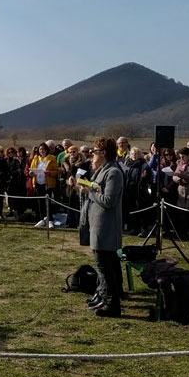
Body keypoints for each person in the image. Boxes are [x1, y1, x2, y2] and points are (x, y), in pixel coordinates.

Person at [76, 136, 124, 318]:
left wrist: (90, 191)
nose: (92, 155)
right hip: (97, 224)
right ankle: (104, 297)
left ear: (103, 153)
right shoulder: (101, 171)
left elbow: (109, 200)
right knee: (104, 267)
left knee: (105, 268)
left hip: (106, 228)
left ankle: (112, 304)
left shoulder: (113, 173)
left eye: (94, 151)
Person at [29, 142, 59, 221]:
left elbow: (56, 172)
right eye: (40, 149)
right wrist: (31, 173)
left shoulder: (52, 159)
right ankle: (41, 218)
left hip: (48, 183)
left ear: (46, 150)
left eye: (43, 149)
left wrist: (50, 173)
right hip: (38, 182)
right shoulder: (36, 158)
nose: (42, 151)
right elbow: (31, 168)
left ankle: (49, 218)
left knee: (47, 202)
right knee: (40, 201)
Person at [5, 146, 26, 218]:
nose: (18, 153)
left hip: (23, 182)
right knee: (15, 198)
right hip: (15, 182)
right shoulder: (14, 161)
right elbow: (11, 171)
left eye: (20, 151)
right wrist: (17, 171)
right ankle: (15, 211)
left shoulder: (25, 160)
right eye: (18, 152)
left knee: (22, 197)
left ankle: (22, 212)